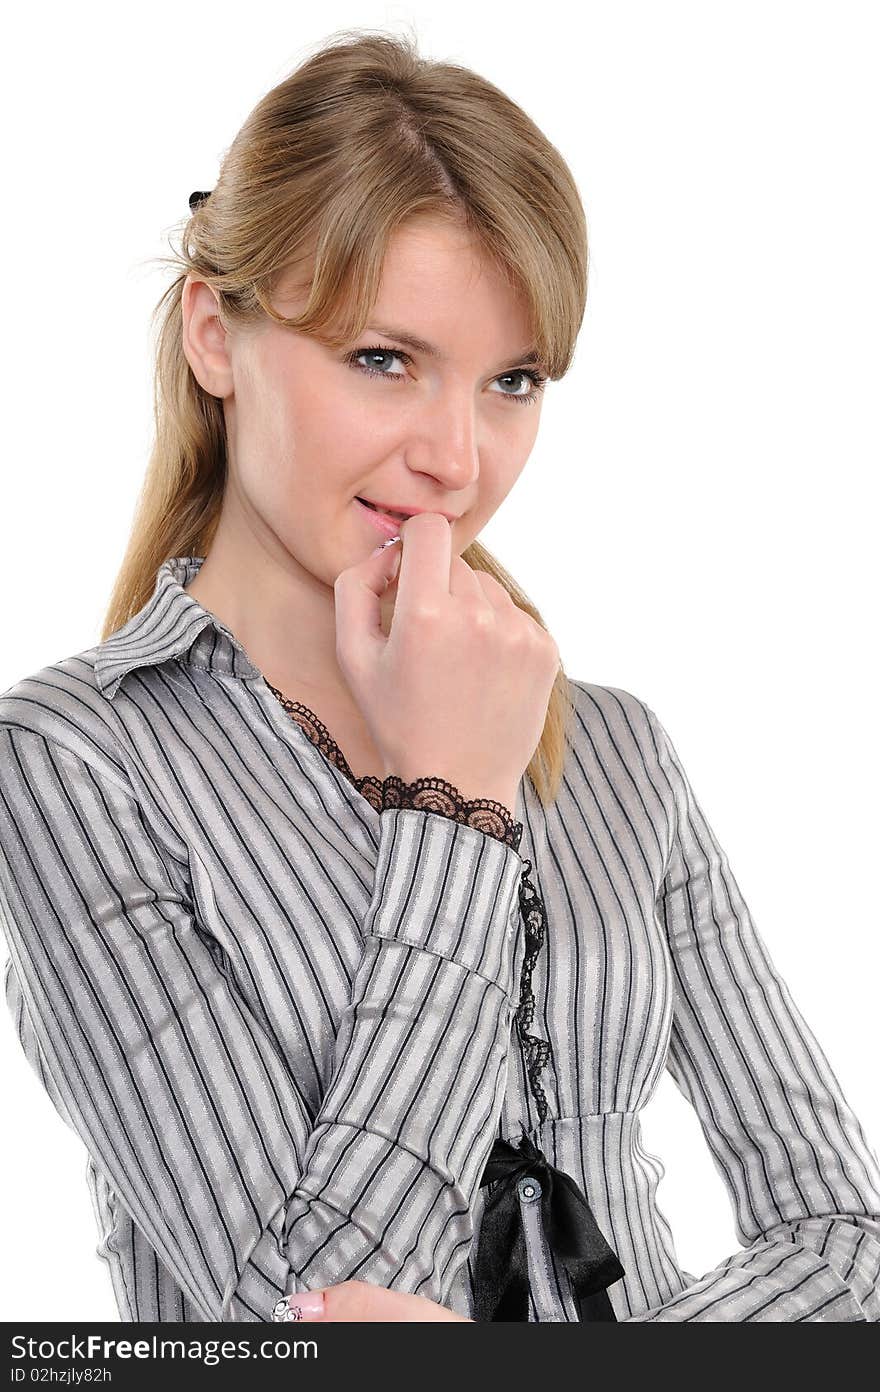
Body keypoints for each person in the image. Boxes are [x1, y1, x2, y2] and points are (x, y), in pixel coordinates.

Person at [1, 28, 879, 1325]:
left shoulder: (617, 748)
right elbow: (292, 1322)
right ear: (213, 337)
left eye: (513, 381)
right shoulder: (72, 763)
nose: (458, 461)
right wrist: (452, 805)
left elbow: (845, 1238)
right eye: (384, 360)